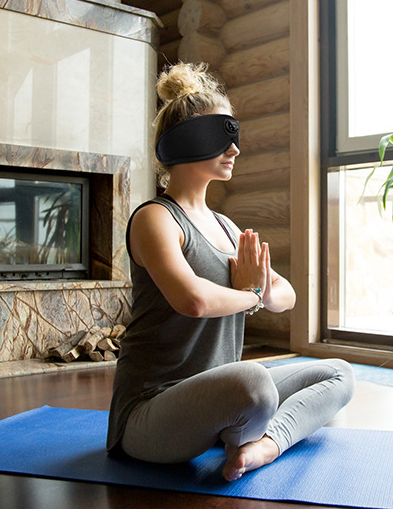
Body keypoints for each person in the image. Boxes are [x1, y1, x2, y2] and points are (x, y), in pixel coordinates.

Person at [107, 62, 355, 482]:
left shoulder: (226, 226)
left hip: (215, 398)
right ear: (186, 141)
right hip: (150, 414)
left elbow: (286, 295)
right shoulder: (156, 218)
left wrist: (259, 290)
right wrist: (254, 295)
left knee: (339, 373)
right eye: (223, 136)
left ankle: (263, 446)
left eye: (234, 136)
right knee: (253, 383)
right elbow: (194, 300)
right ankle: (245, 431)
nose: (235, 149)